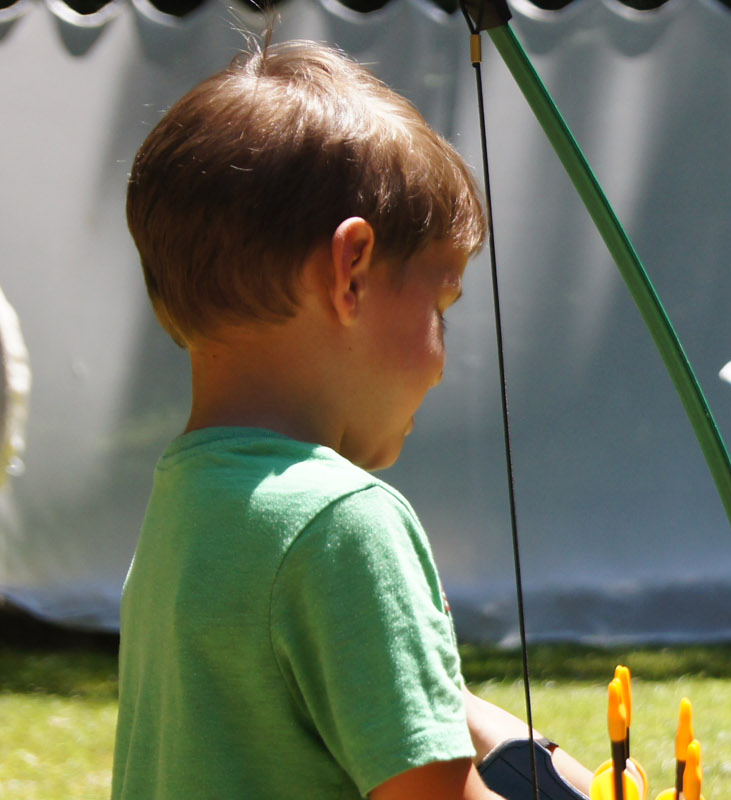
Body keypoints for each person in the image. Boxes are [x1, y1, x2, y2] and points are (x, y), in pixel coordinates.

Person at [112, 37, 593, 799]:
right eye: (441, 303)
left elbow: (444, 712)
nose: (442, 359)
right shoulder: (344, 522)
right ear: (353, 273)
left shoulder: (192, 507)